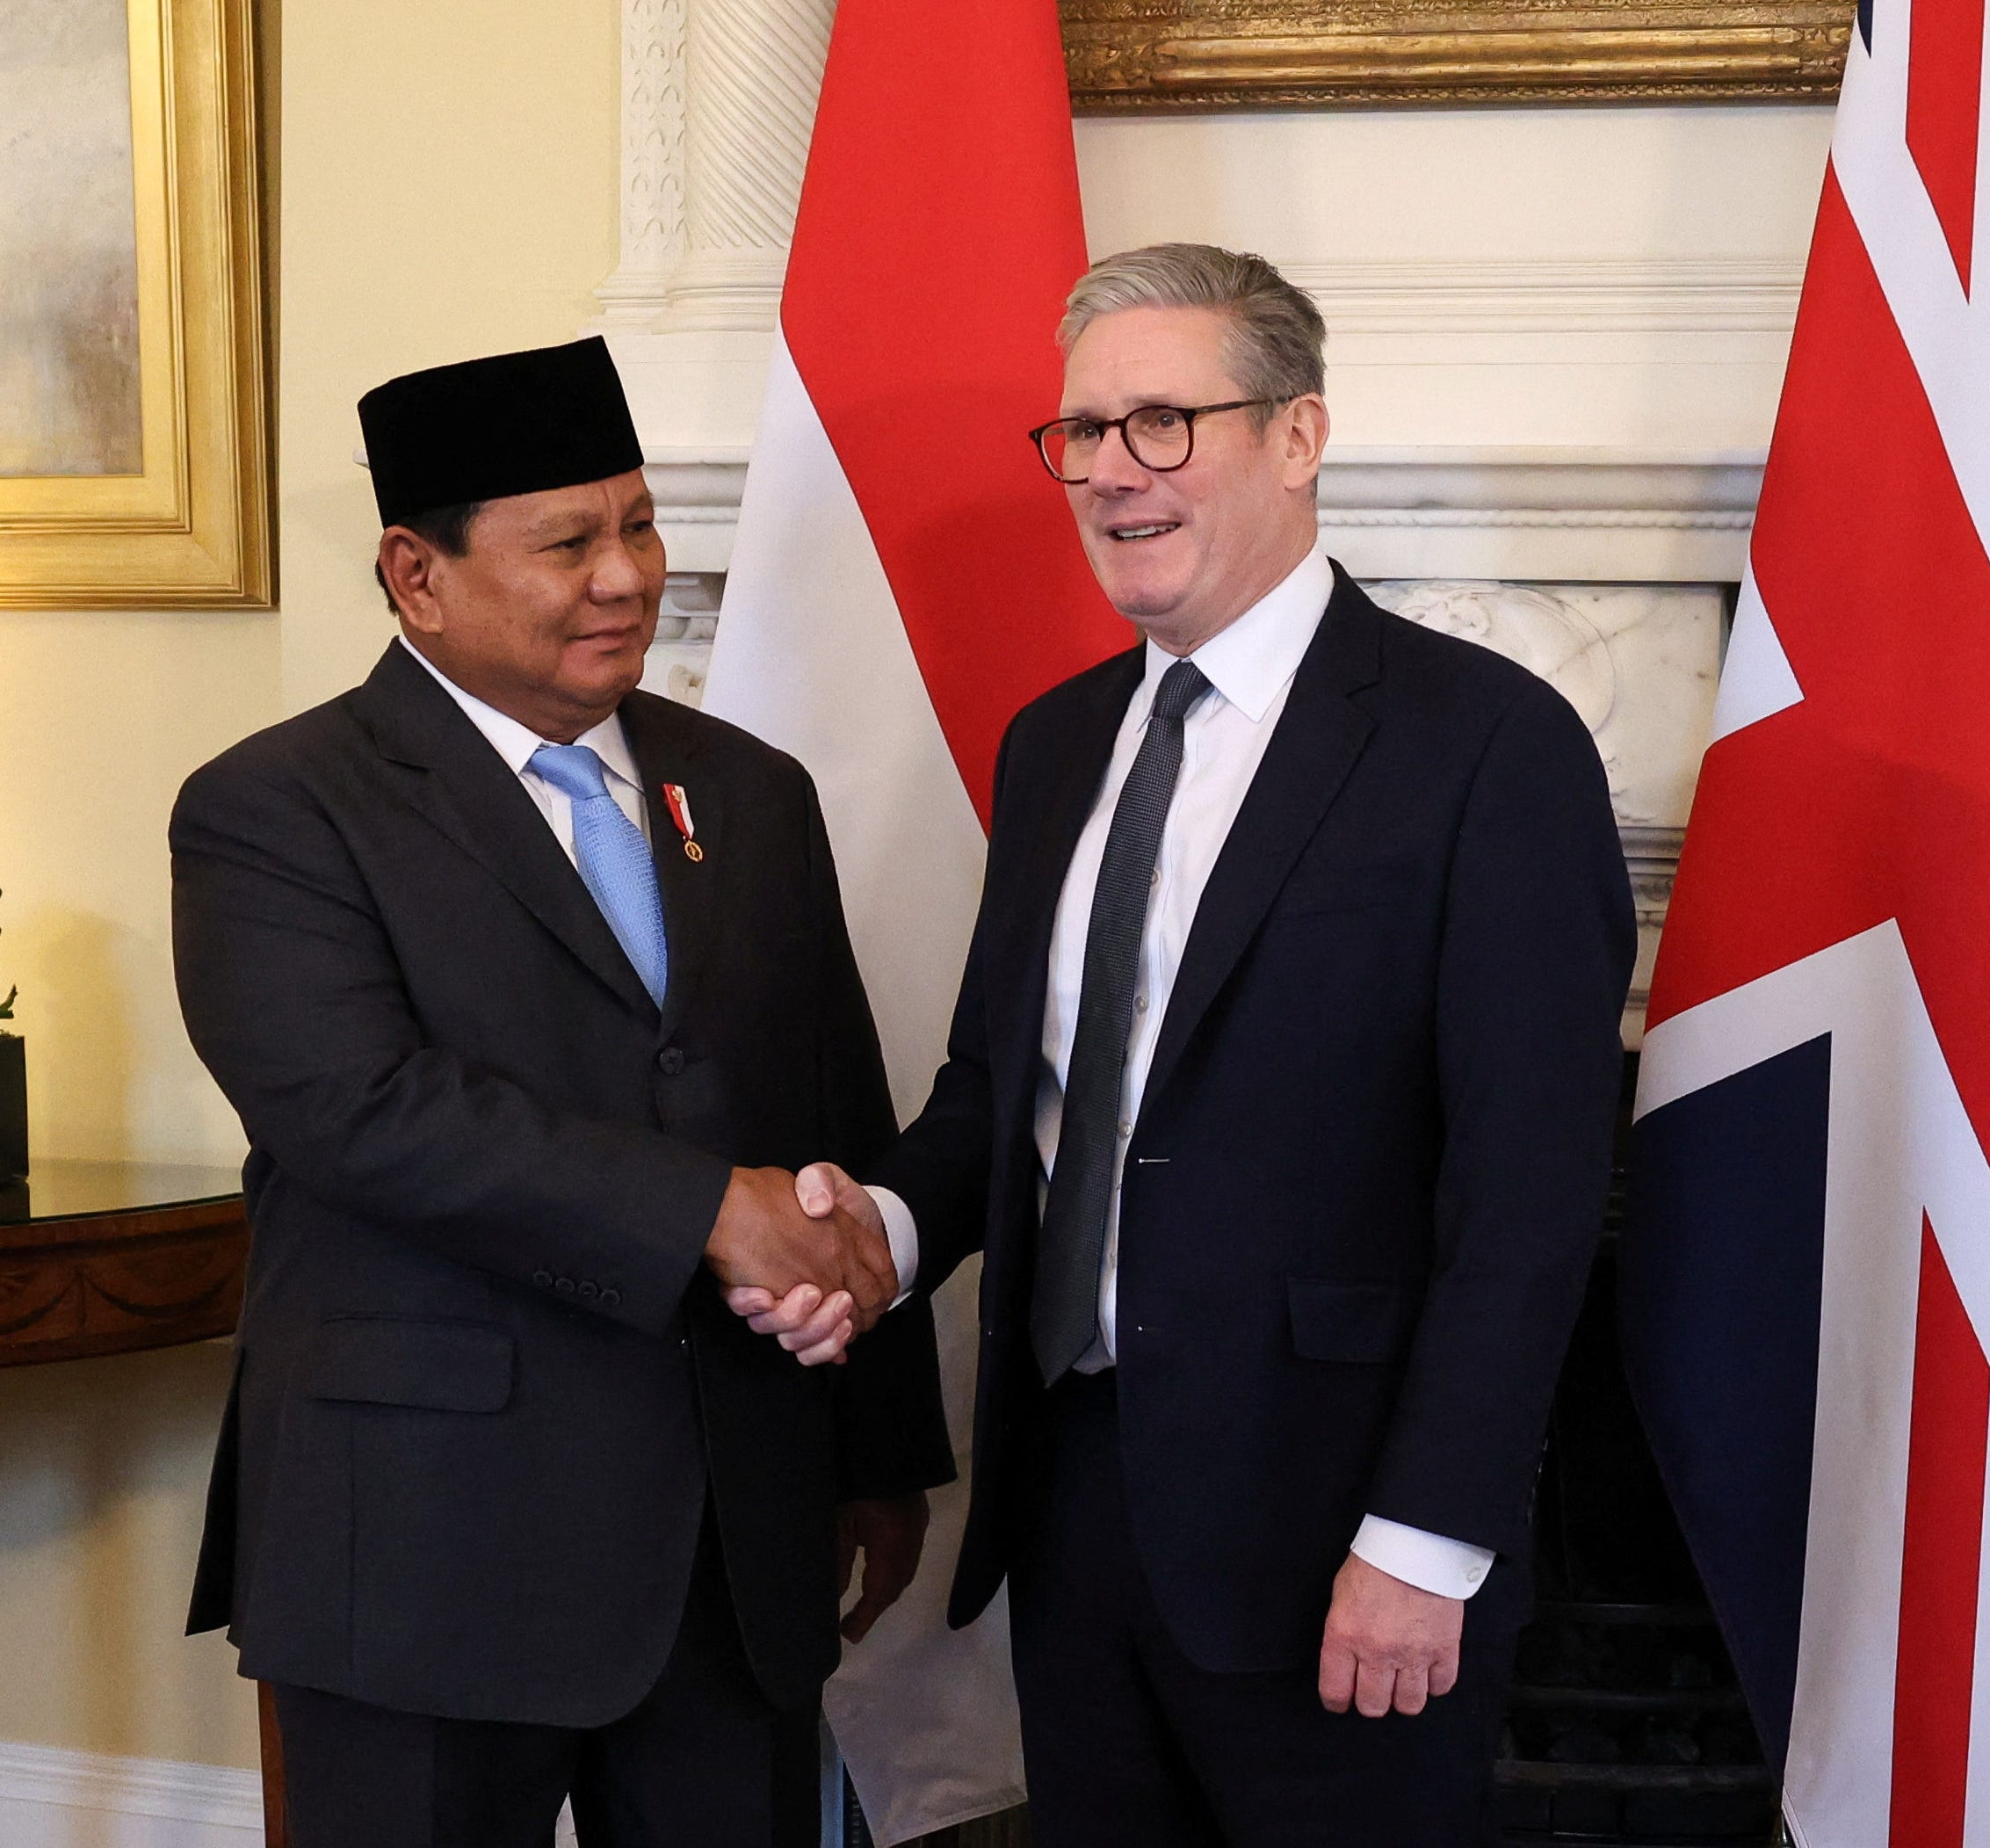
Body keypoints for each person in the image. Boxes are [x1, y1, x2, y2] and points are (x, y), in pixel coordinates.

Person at [741, 246, 1635, 1844]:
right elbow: (995, 1100)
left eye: (1164, 424)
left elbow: (1532, 1193)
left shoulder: (1485, 746)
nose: (1107, 473)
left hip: (1345, 1538)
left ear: (1298, 438)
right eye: (1081, 432)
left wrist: (1425, 1540)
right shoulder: (1056, 742)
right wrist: (868, 1232)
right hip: (1078, 1515)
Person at [171, 337, 952, 1848]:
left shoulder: (750, 793)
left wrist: (875, 1451)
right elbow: (362, 1111)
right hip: (427, 1550)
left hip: (736, 1547)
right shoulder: (275, 809)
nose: (629, 576)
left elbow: (835, 1120)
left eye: (642, 525)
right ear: (417, 575)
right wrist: (708, 1217)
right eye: (571, 542)